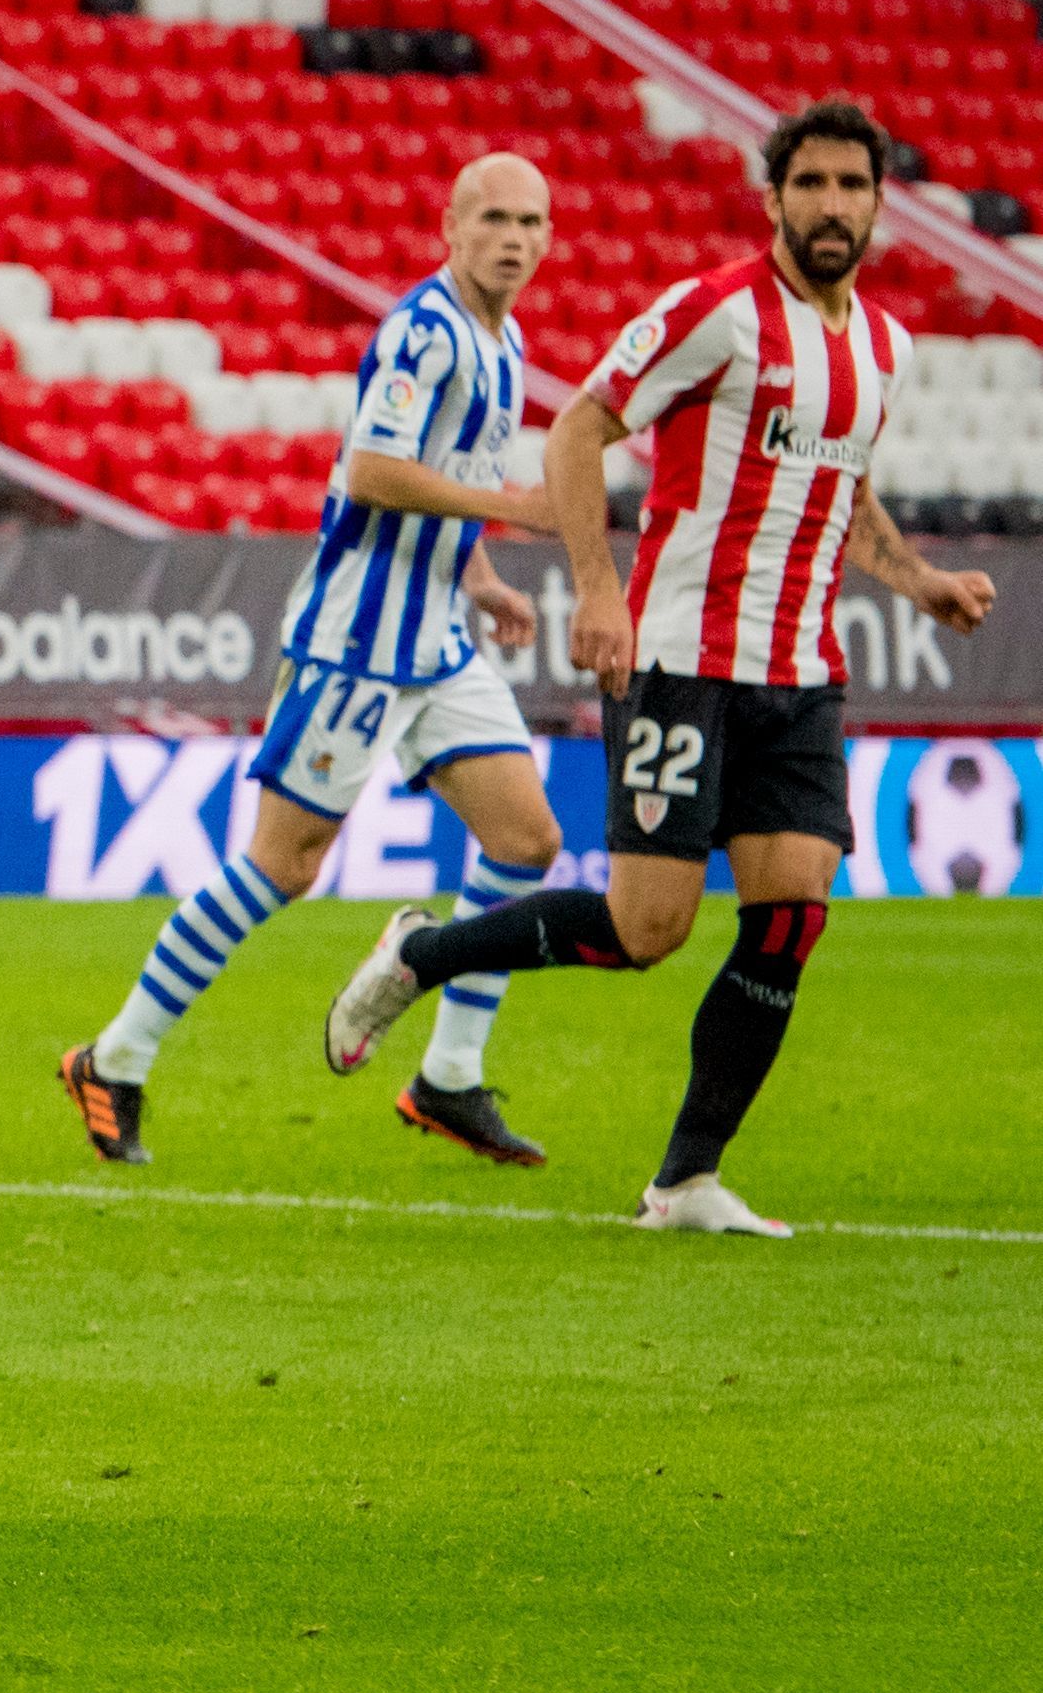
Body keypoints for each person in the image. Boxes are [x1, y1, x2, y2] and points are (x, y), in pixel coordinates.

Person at [327, 101, 997, 1235]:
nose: (831, 205)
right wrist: (598, 589)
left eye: (852, 186)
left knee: (791, 913)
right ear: (773, 196)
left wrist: (916, 579)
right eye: (811, 184)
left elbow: (845, 487)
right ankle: (422, 950)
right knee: (649, 931)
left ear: (880, 204)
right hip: (682, 657)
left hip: (801, 670)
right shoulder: (715, 311)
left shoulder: (882, 345)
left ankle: (684, 1178)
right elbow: (578, 430)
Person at [56, 153, 570, 1167]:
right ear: (448, 228)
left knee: (525, 838)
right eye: (495, 219)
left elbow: (443, 480)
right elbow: (373, 470)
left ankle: (448, 1076)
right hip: (354, 642)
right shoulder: (421, 332)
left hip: (435, 634)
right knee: (280, 868)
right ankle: (112, 1056)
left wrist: (480, 578)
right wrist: (515, 511)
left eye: (532, 221)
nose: (515, 238)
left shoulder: (504, 341)